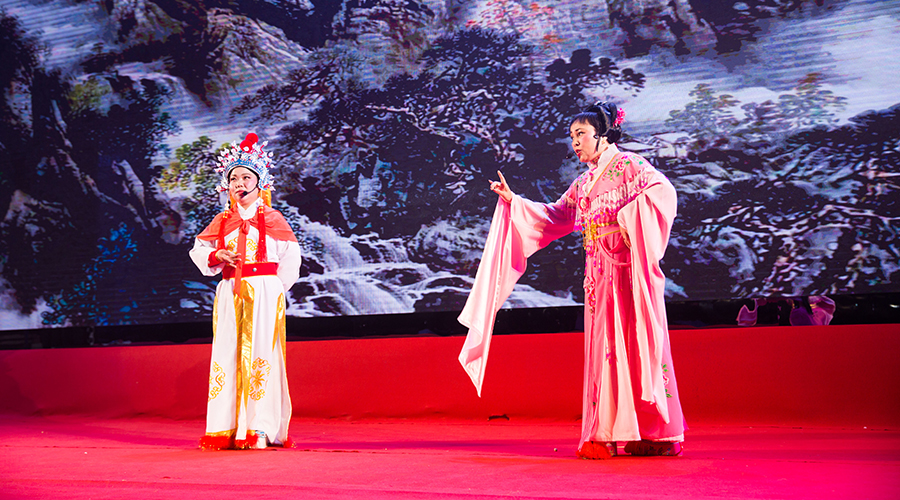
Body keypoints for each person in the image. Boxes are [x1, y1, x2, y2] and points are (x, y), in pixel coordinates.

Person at [458, 102, 686, 458]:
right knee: (604, 352)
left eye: (581, 134)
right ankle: (604, 433)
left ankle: (655, 433)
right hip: (598, 277)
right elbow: (557, 215)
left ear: (603, 134)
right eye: (572, 136)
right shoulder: (583, 183)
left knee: (637, 344)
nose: (575, 143)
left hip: (627, 274)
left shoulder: (630, 166)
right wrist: (514, 201)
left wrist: (627, 218)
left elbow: (664, 193)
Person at [189, 133, 302, 450]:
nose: (239, 183)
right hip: (231, 290)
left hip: (264, 291)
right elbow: (199, 250)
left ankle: (259, 428)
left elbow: (291, 258)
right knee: (227, 353)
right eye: (233, 178)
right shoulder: (222, 220)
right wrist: (217, 255)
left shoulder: (273, 219)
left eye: (246, 178)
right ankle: (226, 428)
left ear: (259, 183)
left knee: (262, 354)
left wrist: (275, 289)